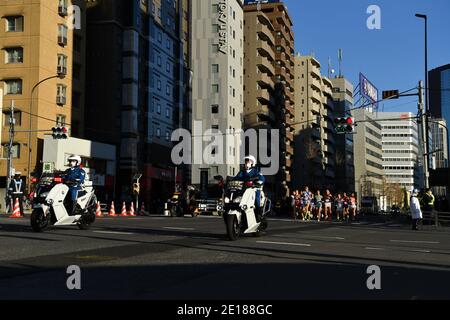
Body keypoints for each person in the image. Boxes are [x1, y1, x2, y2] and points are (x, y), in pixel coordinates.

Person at [234, 155, 265, 221]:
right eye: (245, 162)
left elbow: (262, 178)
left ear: (252, 163)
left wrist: (259, 182)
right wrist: (230, 180)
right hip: (243, 190)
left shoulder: (255, 171)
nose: (246, 164)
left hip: (254, 189)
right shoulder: (242, 172)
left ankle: (259, 213)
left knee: (256, 197)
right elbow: (236, 178)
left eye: (248, 162)